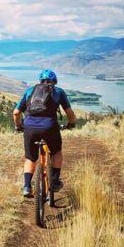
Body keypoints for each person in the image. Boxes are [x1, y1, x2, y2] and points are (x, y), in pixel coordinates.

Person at [13, 69, 77, 198]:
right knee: (57, 152)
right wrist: (71, 124)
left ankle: (26, 186)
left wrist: (18, 126)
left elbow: (16, 113)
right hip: (50, 127)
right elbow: (70, 113)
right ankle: (54, 181)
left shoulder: (30, 91)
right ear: (55, 81)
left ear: (40, 80)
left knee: (30, 158)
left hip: (29, 127)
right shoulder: (58, 91)